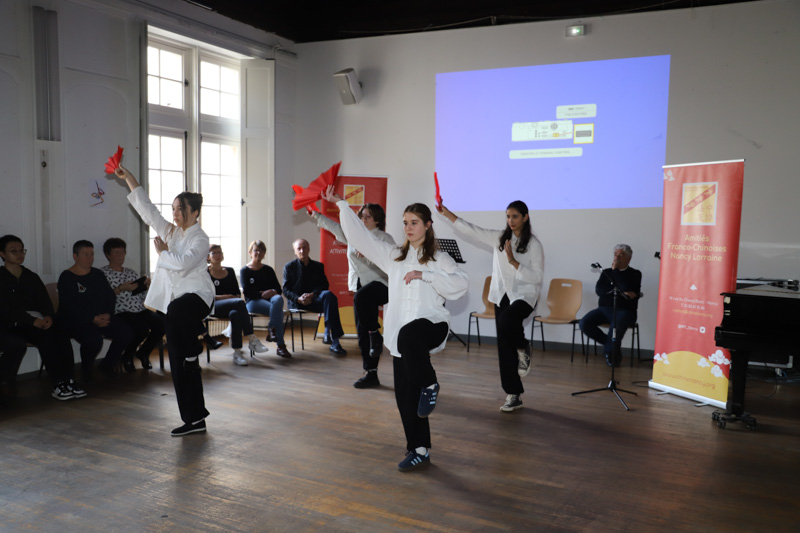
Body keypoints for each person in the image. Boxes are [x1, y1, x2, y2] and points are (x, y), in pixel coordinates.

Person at [324, 186, 469, 472]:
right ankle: (419, 449)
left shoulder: (440, 259)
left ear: (428, 225)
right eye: (405, 222)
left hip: (432, 325)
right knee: (406, 397)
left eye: (414, 222)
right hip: (404, 338)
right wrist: (342, 204)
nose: (408, 227)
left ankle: (430, 384)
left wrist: (425, 274)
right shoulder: (394, 256)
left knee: (410, 337)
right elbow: (360, 237)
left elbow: (460, 285)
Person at [114, 165, 215, 437]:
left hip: (197, 298)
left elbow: (182, 265)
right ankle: (194, 419)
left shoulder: (201, 239)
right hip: (176, 306)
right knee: (181, 365)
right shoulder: (171, 232)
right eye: (174, 208)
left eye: (181, 209)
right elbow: (148, 211)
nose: (175, 213)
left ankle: (194, 343)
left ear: (195, 212)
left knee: (178, 310)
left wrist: (161, 253)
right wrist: (130, 179)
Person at [438, 201, 544, 413]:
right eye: (508, 216)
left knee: (507, 323)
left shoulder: (533, 244)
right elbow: (472, 231)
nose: (511, 221)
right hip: (501, 294)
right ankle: (513, 394)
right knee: (504, 345)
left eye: (515, 216)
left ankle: (523, 346)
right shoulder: (499, 238)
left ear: (525, 217)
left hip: (525, 294)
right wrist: (447, 213)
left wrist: (514, 261)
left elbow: (537, 277)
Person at [311, 202, 395, 388]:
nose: (363, 219)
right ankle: (371, 373)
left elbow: (391, 263)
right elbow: (335, 227)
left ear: (378, 220)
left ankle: (375, 334)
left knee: (365, 311)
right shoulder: (354, 236)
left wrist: (368, 256)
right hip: (360, 288)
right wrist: (316, 214)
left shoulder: (384, 238)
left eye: (368, 217)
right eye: (361, 216)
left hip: (382, 285)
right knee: (362, 332)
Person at [0, 235, 86, 400]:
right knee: (45, 337)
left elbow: (44, 301)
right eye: (13, 251)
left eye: (21, 250)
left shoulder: (30, 276)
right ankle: (58, 383)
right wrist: (32, 321)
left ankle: (69, 380)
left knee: (61, 332)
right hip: (13, 324)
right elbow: (6, 310)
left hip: (37, 320)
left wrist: (48, 316)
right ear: (2, 254)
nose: (19, 254)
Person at [57, 240, 134, 381]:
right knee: (93, 339)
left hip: (101, 317)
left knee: (126, 332)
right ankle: (86, 370)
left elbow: (109, 296)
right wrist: (92, 319)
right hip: (76, 321)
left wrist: (107, 315)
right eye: (85, 254)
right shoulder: (67, 277)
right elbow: (70, 306)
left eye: (91, 254)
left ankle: (106, 365)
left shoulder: (97, 274)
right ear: (75, 256)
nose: (90, 258)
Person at [101, 237, 164, 372]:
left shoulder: (130, 272)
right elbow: (103, 298)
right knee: (141, 329)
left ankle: (143, 353)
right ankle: (128, 356)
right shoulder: (103, 274)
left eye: (123, 252)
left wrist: (146, 287)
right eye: (117, 252)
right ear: (108, 255)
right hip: (121, 310)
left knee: (162, 324)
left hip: (139, 308)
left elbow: (141, 297)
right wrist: (121, 289)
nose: (121, 256)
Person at [579, 244, 642, 367]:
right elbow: (599, 291)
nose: (617, 258)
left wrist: (616, 271)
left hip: (625, 311)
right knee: (584, 323)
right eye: (615, 255)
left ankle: (610, 353)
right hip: (603, 309)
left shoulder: (635, 274)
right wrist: (620, 293)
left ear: (628, 258)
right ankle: (612, 347)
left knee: (615, 327)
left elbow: (625, 287)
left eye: (621, 255)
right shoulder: (606, 272)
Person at [282, 238, 347, 355]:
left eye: (304, 248)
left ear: (309, 249)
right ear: (295, 252)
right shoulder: (289, 267)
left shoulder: (318, 266)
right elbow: (286, 290)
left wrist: (312, 295)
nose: (302, 251)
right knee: (330, 303)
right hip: (297, 302)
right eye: (299, 249)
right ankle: (334, 340)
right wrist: (299, 298)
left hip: (314, 300)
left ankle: (329, 334)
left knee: (329, 295)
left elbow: (324, 285)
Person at [207, 244, 269, 366]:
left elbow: (236, 293)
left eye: (220, 252)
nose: (218, 255)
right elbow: (206, 296)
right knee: (239, 303)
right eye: (214, 253)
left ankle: (237, 352)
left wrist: (231, 298)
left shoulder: (229, 271)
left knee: (235, 314)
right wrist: (226, 297)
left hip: (231, 305)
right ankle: (251, 338)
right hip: (213, 307)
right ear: (208, 257)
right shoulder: (204, 273)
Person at [240, 240, 290, 358]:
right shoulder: (245, 271)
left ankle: (272, 328)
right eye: (256, 250)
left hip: (271, 301)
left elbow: (278, 289)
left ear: (264, 254)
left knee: (278, 299)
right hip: (253, 302)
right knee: (278, 311)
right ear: (250, 252)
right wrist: (262, 293)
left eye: (261, 250)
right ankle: (280, 345)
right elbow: (247, 292)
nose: (258, 252)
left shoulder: (268, 270)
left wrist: (273, 291)